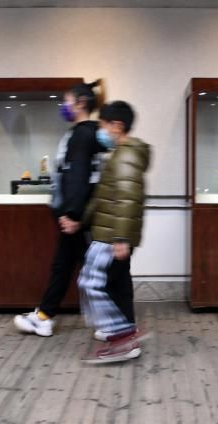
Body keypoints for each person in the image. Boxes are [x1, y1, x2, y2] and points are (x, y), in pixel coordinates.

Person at [14, 80, 105, 337]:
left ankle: (112, 323)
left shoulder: (81, 135)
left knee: (81, 267)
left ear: (81, 103)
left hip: (75, 216)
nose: (63, 106)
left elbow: (78, 176)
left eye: (67, 101)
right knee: (66, 265)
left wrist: (72, 215)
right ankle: (45, 316)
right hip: (76, 214)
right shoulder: (87, 133)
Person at [71, 101, 151, 363]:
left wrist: (121, 239)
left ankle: (123, 337)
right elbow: (104, 196)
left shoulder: (125, 156)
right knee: (115, 284)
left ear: (117, 126)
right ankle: (122, 331)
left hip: (112, 235)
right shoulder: (120, 154)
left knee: (93, 283)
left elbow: (128, 199)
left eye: (102, 125)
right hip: (110, 232)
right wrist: (82, 220)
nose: (100, 131)